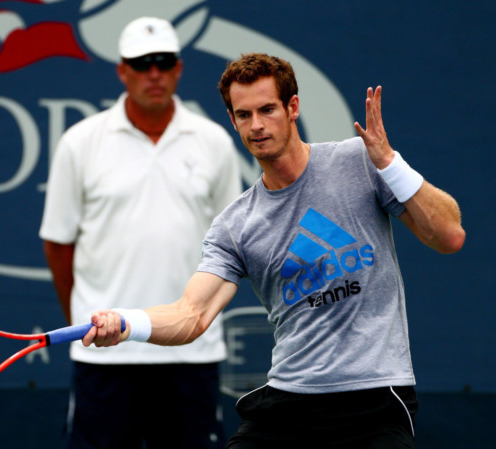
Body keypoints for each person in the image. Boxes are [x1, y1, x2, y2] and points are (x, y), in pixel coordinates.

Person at [82, 53, 466, 448]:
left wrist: (388, 162)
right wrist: (126, 323)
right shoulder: (235, 226)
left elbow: (449, 235)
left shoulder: (360, 162)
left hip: (374, 402)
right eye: (244, 115)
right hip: (289, 405)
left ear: (293, 107)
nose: (257, 126)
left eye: (267, 109)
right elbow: (191, 315)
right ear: (232, 121)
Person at [39, 16, 243, 449]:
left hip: (191, 352)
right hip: (107, 356)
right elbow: (58, 244)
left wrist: (197, 318)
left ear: (179, 68)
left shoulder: (213, 142)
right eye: (142, 62)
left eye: (164, 61)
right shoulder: (80, 142)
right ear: (122, 70)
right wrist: (88, 320)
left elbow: (233, 244)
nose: (154, 73)